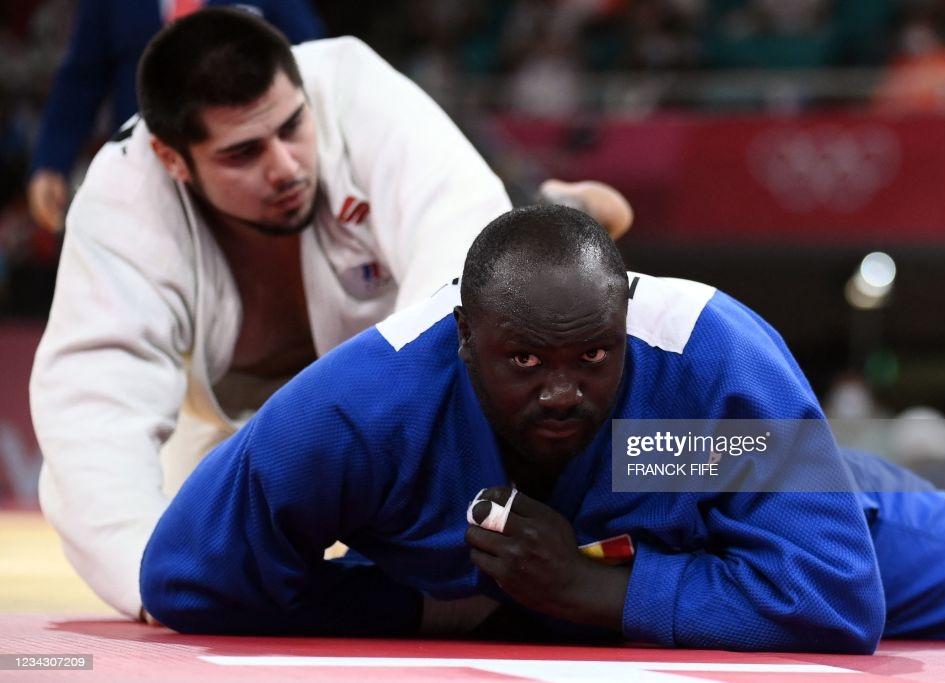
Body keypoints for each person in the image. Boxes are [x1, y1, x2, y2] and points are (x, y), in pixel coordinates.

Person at [140, 205, 945, 651]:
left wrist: (581, 590)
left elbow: (836, 592)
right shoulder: (361, 412)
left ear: (625, 324)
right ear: (463, 341)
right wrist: (413, 603)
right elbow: (187, 577)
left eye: (594, 357)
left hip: (759, 510)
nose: (564, 391)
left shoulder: (707, 367)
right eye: (525, 361)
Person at [29, 8, 632, 620]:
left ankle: (541, 216)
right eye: (243, 154)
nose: (284, 167)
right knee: (183, 571)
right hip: (222, 424)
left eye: (292, 127)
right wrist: (150, 592)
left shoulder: (357, 94)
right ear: (174, 159)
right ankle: (542, 211)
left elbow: (458, 294)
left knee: (494, 281)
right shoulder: (121, 202)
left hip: (376, 379)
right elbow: (93, 408)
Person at [26, 0, 326, 233]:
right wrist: (52, 162)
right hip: (144, 174)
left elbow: (312, 65)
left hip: (245, 174)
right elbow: (82, 79)